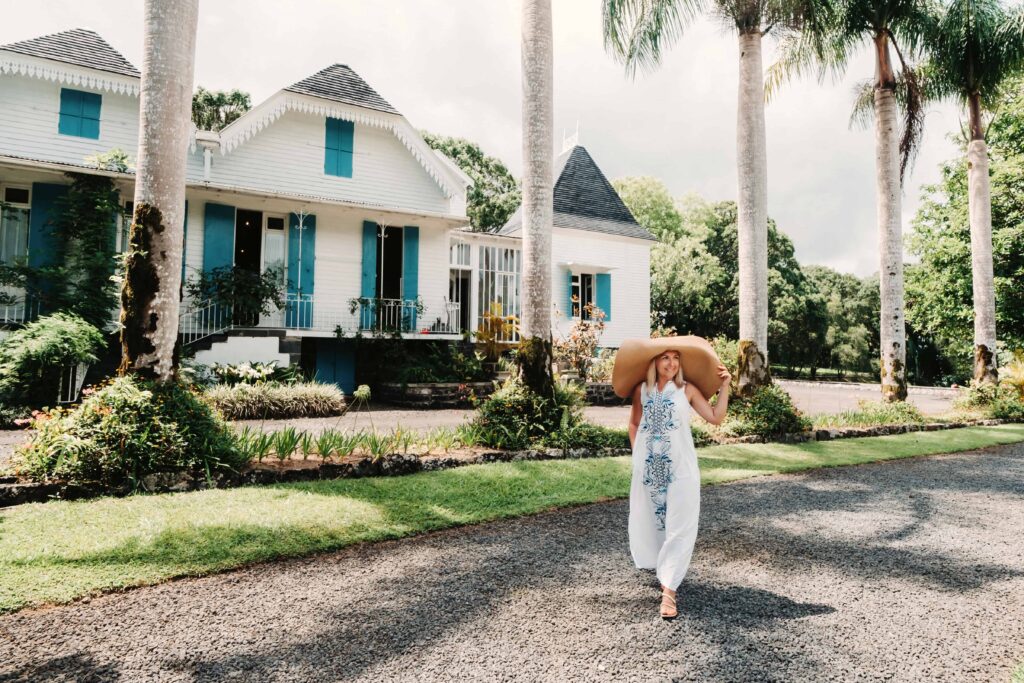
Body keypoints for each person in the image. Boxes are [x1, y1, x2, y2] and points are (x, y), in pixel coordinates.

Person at [628, 350, 731, 619]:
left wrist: (725, 387)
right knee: (653, 523)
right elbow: (634, 424)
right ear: (654, 362)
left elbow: (715, 417)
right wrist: (638, 458)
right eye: (665, 358)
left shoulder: (687, 390)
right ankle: (665, 574)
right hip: (650, 473)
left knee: (681, 527)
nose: (671, 363)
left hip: (682, 470)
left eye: (676, 358)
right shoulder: (642, 390)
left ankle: (669, 593)